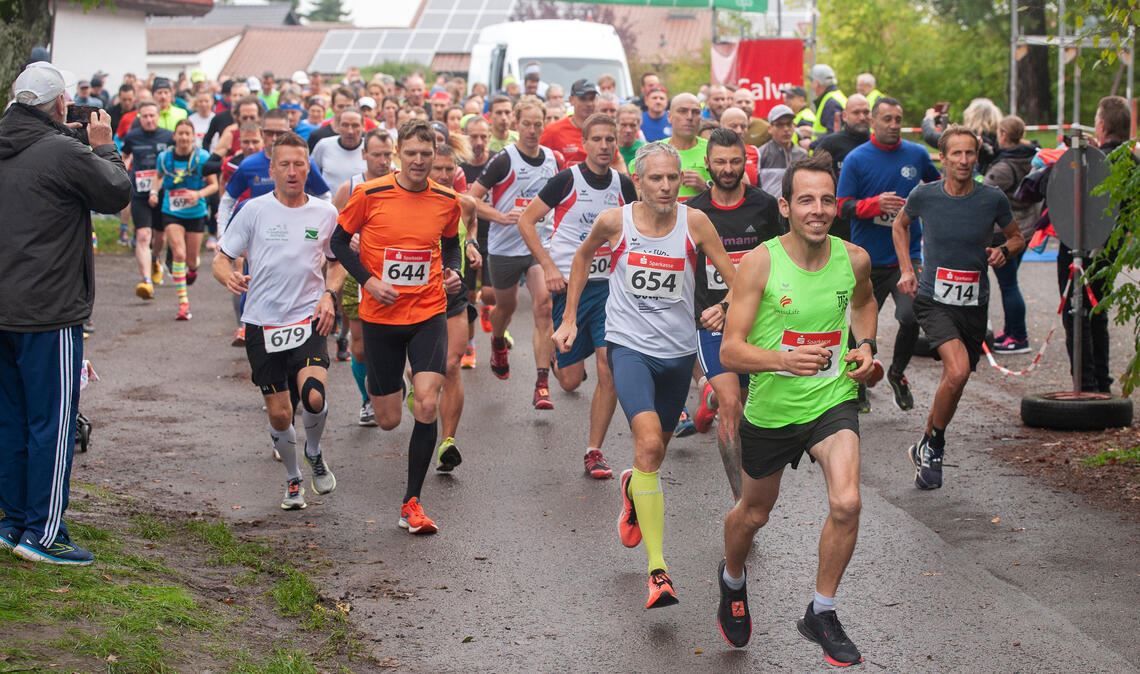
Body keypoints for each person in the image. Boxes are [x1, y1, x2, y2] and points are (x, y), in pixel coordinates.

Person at [553, 142, 738, 609]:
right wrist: (571, 317)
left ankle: (634, 489)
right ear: (638, 181)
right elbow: (580, 258)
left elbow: (736, 278)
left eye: (672, 178)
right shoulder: (615, 222)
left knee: (652, 458)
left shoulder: (694, 223)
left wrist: (725, 307)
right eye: (655, 178)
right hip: (629, 347)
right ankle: (658, 571)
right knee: (651, 443)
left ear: (681, 179)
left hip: (678, 353)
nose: (665, 186)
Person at [716, 152, 877, 667]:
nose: (818, 209)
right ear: (785, 206)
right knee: (753, 514)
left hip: (831, 401)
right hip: (771, 410)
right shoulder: (760, 262)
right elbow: (729, 351)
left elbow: (866, 303)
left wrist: (868, 347)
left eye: (827, 199)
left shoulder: (852, 259)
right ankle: (732, 579)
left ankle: (821, 612)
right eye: (806, 199)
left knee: (847, 502)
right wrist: (784, 359)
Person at [0, 61, 131, 565]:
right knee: (52, 424)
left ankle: (11, 522)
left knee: (10, 420)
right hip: (47, 310)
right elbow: (116, 192)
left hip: (7, 307)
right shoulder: (63, 150)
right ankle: (44, 532)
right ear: (59, 105)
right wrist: (102, 144)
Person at [330, 119, 464, 535]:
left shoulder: (447, 200)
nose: (420, 161)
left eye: (427, 154)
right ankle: (398, 389)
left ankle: (412, 503)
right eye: (412, 154)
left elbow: (449, 245)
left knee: (426, 404)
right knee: (388, 418)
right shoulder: (369, 195)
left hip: (427, 312)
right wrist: (369, 281)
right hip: (380, 317)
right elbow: (337, 242)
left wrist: (453, 271)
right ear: (397, 156)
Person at [214, 132, 342, 511]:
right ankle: (292, 477)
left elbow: (336, 263)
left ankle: (314, 451)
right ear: (271, 169)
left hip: (308, 318)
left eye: (299, 164)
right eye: (283, 164)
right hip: (263, 323)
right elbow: (221, 259)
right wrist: (229, 277)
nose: (291, 171)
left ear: (309, 168)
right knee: (280, 413)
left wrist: (329, 295)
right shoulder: (254, 210)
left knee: (314, 397)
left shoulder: (325, 213)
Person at [893, 125, 1021, 489]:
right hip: (933, 300)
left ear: (976, 157)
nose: (964, 160)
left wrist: (1003, 251)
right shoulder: (925, 195)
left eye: (970, 153)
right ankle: (935, 445)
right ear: (943, 158)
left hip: (973, 304)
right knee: (959, 371)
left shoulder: (992, 198)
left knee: (956, 380)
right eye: (957, 154)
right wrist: (906, 269)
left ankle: (925, 441)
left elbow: (1016, 236)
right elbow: (900, 227)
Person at [519, 113, 637, 478]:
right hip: (569, 287)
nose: (604, 146)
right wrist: (549, 266)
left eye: (610, 140)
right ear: (584, 144)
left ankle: (594, 451)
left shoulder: (623, 184)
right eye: (597, 139)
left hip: (608, 290)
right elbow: (527, 221)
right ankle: (558, 364)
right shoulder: (566, 180)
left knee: (609, 367)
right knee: (570, 379)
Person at [687, 128, 783, 499]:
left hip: (760, 320)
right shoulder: (693, 212)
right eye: (720, 162)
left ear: (746, 162)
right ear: (707, 163)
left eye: (735, 162)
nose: (727, 169)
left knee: (747, 406)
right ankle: (740, 498)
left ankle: (708, 397)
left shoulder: (765, 206)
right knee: (731, 405)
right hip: (712, 321)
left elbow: (782, 257)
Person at [837, 97, 940, 413]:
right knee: (858, 327)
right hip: (867, 260)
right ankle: (859, 383)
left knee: (910, 317)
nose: (894, 125)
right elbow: (842, 207)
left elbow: (940, 188)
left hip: (905, 259)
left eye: (898, 119)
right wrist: (874, 205)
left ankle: (896, 373)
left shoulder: (917, 154)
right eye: (887, 119)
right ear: (873, 121)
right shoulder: (857, 159)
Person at [468, 97, 562, 408]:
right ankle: (497, 340)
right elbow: (471, 200)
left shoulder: (552, 159)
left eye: (538, 124)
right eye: (527, 124)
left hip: (538, 246)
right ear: (516, 125)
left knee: (544, 307)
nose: (533, 130)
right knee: (503, 308)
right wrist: (498, 215)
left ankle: (541, 383)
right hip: (504, 247)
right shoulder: (504, 160)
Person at [1057, 96, 1131, 392]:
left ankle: (1086, 384)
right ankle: (1101, 382)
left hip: (1083, 247)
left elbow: (1076, 200)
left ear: (1100, 125)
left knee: (1076, 313)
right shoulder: (1132, 160)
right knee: (1097, 312)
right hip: (1111, 248)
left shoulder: (1099, 162)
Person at [427, 143, 483, 473]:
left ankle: (447, 441)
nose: (446, 175)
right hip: (415, 297)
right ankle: (417, 390)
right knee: (418, 371)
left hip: (453, 293)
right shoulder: (414, 202)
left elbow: (470, 227)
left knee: (451, 365)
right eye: (440, 169)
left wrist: (472, 246)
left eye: (451, 169)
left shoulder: (464, 203)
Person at [332, 129, 394, 426]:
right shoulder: (351, 188)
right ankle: (367, 400)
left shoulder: (402, 183)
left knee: (397, 338)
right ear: (364, 155)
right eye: (378, 155)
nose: (384, 161)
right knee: (359, 345)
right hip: (357, 273)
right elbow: (330, 227)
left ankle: (392, 384)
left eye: (388, 154)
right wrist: (350, 237)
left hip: (395, 272)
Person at [984, 115, 1041, 355]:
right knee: (1010, 284)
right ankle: (1011, 332)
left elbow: (984, 193)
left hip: (1004, 232)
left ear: (1003, 135)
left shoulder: (1004, 167)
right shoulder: (1031, 156)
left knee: (1009, 286)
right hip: (1026, 226)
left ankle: (1018, 336)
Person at [150, 118, 217, 320]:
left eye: (188, 133)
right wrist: (154, 191)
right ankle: (183, 304)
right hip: (171, 211)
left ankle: (192, 269)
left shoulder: (202, 158)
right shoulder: (164, 158)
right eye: (181, 133)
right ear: (175, 136)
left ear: (193, 136)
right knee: (178, 253)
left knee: (191, 260)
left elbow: (214, 185)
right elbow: (158, 176)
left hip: (195, 212)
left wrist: (198, 194)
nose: (184, 137)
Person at [121, 101, 175, 299]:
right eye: (145, 116)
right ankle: (146, 281)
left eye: (152, 115)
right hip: (140, 194)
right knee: (143, 236)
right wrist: (124, 165)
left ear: (158, 116)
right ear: (139, 117)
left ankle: (155, 259)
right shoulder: (133, 136)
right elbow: (125, 155)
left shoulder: (169, 137)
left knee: (160, 237)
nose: (149, 119)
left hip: (162, 194)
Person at [459, 115, 494, 368]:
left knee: (491, 294)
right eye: (473, 136)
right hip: (468, 232)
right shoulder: (457, 166)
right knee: (468, 293)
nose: (479, 142)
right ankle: (470, 346)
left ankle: (487, 307)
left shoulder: (496, 163)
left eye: (483, 136)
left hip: (493, 233)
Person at [813, 94, 871, 242]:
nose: (862, 117)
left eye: (866, 112)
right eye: (856, 112)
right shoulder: (830, 144)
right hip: (838, 223)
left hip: (871, 220)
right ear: (845, 116)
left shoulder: (877, 145)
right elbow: (814, 179)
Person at [539, 79, 599, 166]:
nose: (589, 103)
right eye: (583, 99)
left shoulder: (603, 130)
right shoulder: (553, 131)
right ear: (571, 100)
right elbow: (537, 160)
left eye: (592, 98)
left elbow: (616, 161)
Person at [312, 107, 366, 194]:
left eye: (355, 125)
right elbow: (311, 174)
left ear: (363, 127)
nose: (350, 131)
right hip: (329, 206)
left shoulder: (370, 148)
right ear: (337, 127)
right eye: (345, 125)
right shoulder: (324, 145)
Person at [757, 104, 807, 198]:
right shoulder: (761, 154)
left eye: (789, 124)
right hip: (770, 209)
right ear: (770, 128)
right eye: (780, 125)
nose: (786, 129)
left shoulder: (802, 155)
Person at [717, 107, 759, 187]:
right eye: (733, 126)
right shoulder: (712, 152)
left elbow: (759, 185)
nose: (739, 131)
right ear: (721, 127)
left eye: (743, 126)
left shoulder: (754, 151)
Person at [809, 65, 846, 140]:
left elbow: (832, 136)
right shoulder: (837, 96)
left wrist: (810, 144)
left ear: (816, 83)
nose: (811, 86)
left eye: (811, 82)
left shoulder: (831, 103)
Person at [617, 103, 645, 168]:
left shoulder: (645, 151)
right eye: (623, 125)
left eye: (632, 125)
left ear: (639, 126)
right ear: (616, 124)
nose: (628, 130)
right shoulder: (608, 149)